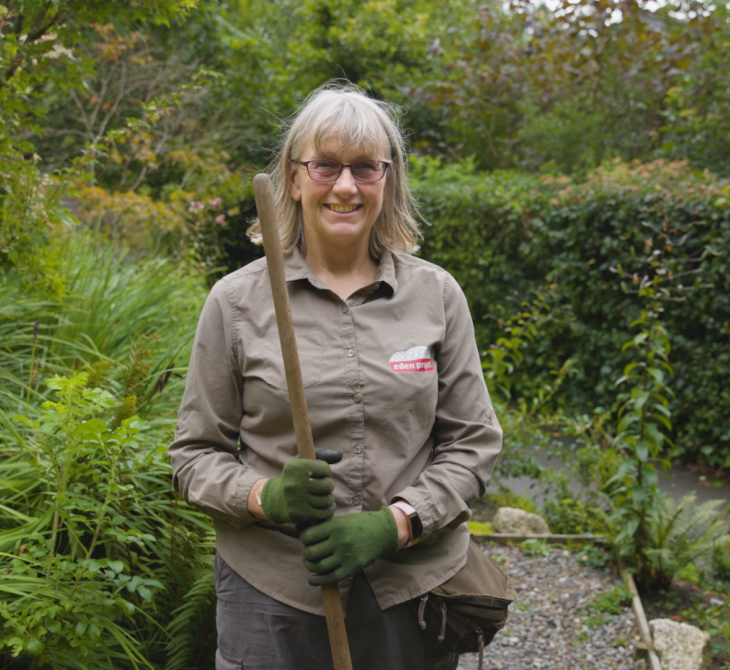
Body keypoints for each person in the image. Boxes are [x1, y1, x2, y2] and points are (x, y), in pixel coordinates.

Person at [168, 83, 503, 670]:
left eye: (365, 168)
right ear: (294, 180)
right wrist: (265, 496)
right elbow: (194, 456)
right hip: (273, 589)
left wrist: (394, 526)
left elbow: (473, 444)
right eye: (325, 165)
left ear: (387, 180)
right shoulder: (237, 302)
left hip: (409, 589)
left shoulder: (437, 296)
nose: (345, 186)